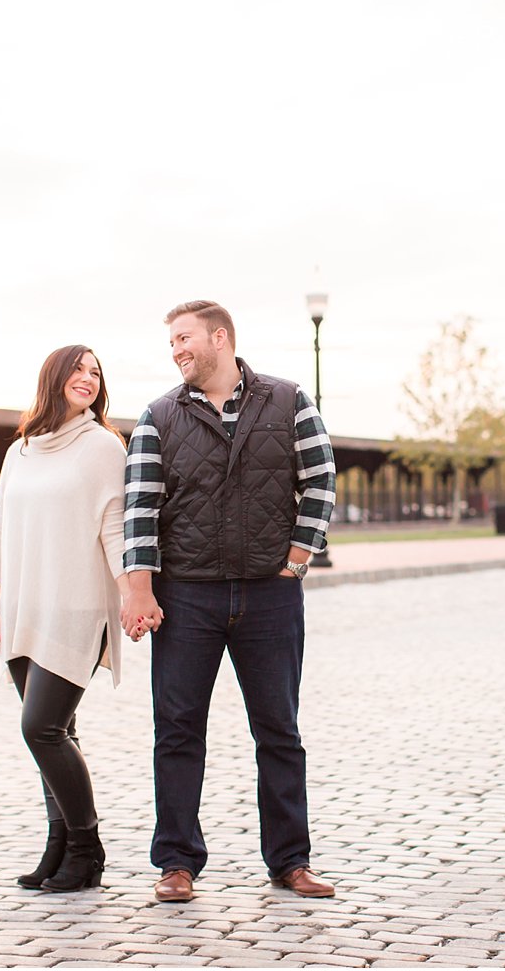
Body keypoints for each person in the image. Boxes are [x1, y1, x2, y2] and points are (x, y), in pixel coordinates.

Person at [120, 300, 338, 904]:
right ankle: (177, 863)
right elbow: (140, 506)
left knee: (279, 731)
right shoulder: (158, 416)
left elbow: (320, 478)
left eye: (185, 338)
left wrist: (298, 557)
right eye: (171, 343)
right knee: (179, 729)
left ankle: (291, 861)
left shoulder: (288, 400)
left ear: (221, 337)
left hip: (270, 595)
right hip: (187, 595)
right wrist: (141, 586)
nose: (177, 350)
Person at [0, 344, 133, 893]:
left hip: (77, 607)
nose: (88, 379)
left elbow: (116, 529)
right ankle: (59, 846)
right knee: (58, 731)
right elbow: (1, 530)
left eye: (96, 373)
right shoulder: (20, 450)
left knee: (40, 727)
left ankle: (87, 850)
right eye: (79, 369)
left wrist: (134, 595)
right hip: (23, 606)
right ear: (54, 377)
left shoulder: (102, 448)